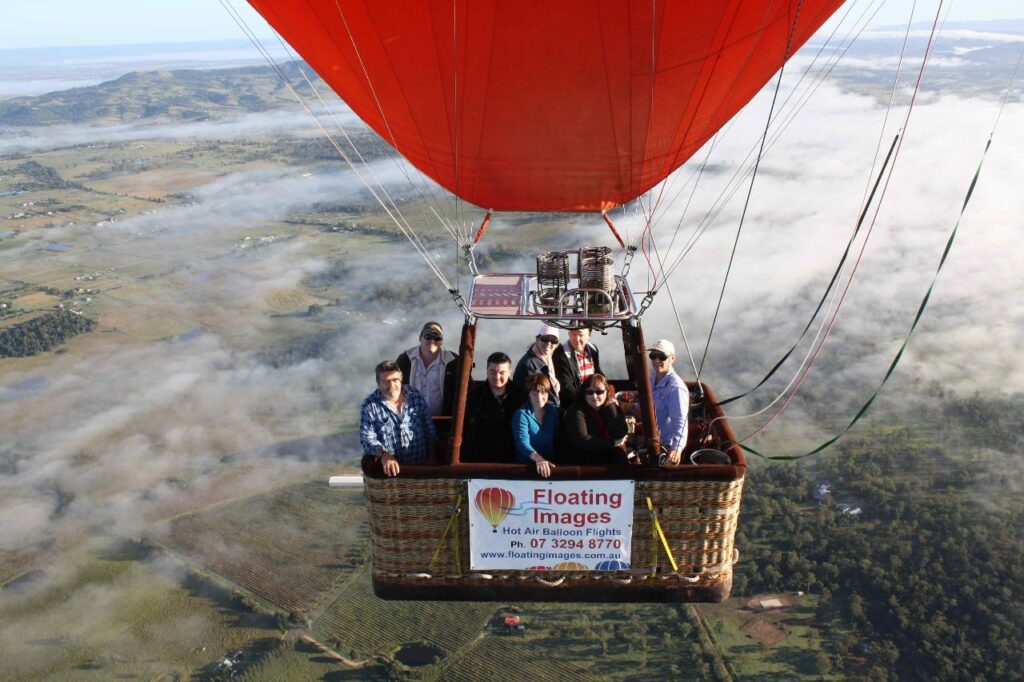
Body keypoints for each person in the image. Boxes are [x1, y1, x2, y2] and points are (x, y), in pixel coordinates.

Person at [360, 360, 436, 477]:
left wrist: (431, 460)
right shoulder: (370, 406)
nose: (391, 385)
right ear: (378, 383)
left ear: (401, 380)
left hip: (420, 471)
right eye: (386, 381)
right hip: (389, 475)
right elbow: (367, 439)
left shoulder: (415, 396)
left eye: (395, 380)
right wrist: (384, 454)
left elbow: (429, 430)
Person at [461, 352, 526, 463]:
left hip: (513, 460)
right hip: (482, 460)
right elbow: (469, 433)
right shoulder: (474, 397)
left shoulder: (521, 396)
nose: (497, 377)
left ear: (510, 372)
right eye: (492, 372)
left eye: (502, 372)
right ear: (486, 370)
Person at [563, 374, 630, 466]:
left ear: (606, 392)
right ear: (584, 393)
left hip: (607, 454)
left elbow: (620, 433)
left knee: (620, 456)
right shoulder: (575, 411)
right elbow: (583, 440)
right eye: (589, 392)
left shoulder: (611, 406)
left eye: (599, 392)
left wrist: (610, 407)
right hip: (585, 461)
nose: (594, 396)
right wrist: (613, 443)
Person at [396, 321, 459, 417]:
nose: (432, 340)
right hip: (411, 422)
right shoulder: (405, 359)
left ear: (441, 341)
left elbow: (466, 390)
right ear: (420, 338)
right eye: (428, 335)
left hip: (444, 423)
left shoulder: (454, 361)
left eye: (437, 337)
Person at [648, 339, 689, 466]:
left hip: (663, 445)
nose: (656, 360)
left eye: (662, 356)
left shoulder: (675, 388)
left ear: (672, 358)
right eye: (653, 356)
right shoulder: (651, 378)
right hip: (648, 437)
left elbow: (680, 421)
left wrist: (676, 449)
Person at [512, 373, 559, 478]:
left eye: (543, 393)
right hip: (525, 470)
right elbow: (522, 442)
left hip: (549, 468)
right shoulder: (521, 414)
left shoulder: (553, 411)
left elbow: (558, 438)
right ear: (529, 394)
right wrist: (539, 459)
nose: (539, 397)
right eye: (535, 393)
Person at [512, 323, 562, 406]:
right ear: (537, 339)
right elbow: (538, 395)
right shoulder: (529, 364)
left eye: (553, 340)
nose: (549, 344)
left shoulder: (549, 358)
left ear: (557, 344)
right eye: (545, 339)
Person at [553, 326, 603, 406]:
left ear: (589, 335)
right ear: (569, 334)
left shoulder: (593, 349)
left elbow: (598, 372)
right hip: (574, 402)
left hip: (593, 396)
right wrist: (587, 401)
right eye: (573, 334)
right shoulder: (560, 354)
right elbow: (566, 387)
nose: (577, 339)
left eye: (580, 334)